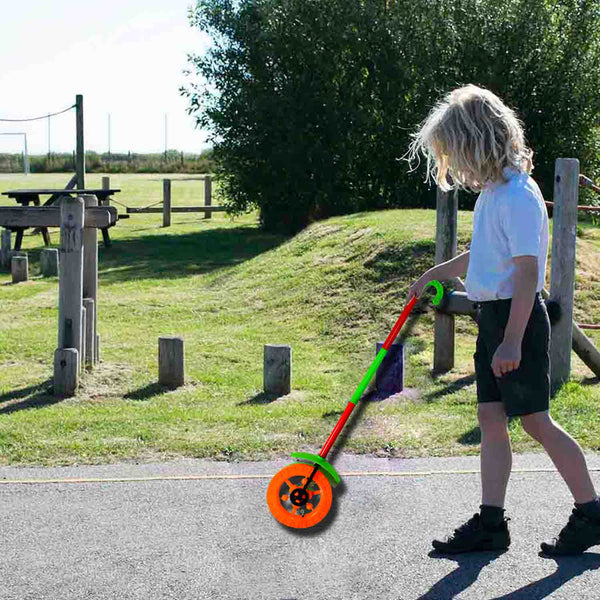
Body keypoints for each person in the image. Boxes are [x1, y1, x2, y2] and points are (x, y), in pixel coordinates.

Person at [402, 84, 600, 555]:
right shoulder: (494, 193)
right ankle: (492, 524)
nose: (456, 165)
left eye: (457, 153)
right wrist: (440, 272)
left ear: (477, 141)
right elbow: (489, 254)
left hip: (519, 322)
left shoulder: (517, 195)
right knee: (492, 417)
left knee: (536, 422)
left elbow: (529, 274)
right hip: (494, 321)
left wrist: (511, 342)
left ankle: (592, 512)